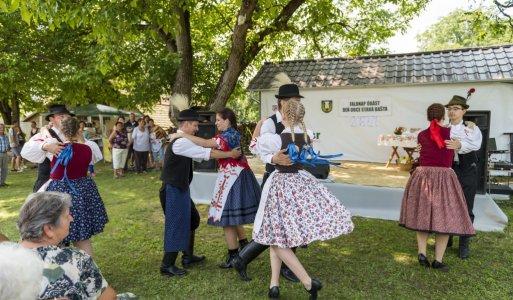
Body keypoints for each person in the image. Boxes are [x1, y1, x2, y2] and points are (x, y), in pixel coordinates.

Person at [251, 99, 353, 299]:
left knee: (278, 238)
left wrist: (259, 128)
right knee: (275, 234)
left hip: (281, 186)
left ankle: (308, 283)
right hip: (299, 183)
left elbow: (255, 147)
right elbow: (305, 156)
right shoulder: (308, 135)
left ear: (285, 115)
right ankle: (274, 285)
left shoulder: (275, 138)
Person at [232, 82, 304, 282]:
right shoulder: (270, 123)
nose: (296, 104)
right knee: (272, 226)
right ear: (282, 102)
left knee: (292, 223)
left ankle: (285, 265)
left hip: (294, 180)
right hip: (275, 179)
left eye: (298, 101)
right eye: (293, 100)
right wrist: (273, 158)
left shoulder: (298, 123)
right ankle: (243, 258)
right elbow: (257, 149)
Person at [171, 108, 260, 268]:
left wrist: (181, 135)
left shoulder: (228, 135)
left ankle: (234, 255)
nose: (216, 123)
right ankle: (243, 244)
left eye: (219, 120)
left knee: (225, 216)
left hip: (233, 176)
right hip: (234, 174)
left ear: (227, 120)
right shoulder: (231, 134)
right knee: (232, 214)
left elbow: (206, 144)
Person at [159, 109, 242, 276]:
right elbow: (207, 153)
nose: (197, 128)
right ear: (187, 124)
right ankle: (166, 265)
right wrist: (230, 154)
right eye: (195, 125)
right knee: (176, 226)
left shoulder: (184, 140)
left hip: (179, 188)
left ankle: (187, 257)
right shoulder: (181, 142)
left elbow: (199, 155)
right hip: (172, 189)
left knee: (192, 219)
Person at [17, 192, 136, 300]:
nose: (71, 218)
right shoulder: (74, 258)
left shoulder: (6, 257)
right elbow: (107, 297)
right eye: (66, 215)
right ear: (48, 229)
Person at [399, 103, 475, 272]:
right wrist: (470, 124)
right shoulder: (452, 132)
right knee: (446, 218)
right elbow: (471, 139)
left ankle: (422, 254)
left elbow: (423, 149)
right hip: (443, 178)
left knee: (422, 216)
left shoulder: (421, 135)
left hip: (422, 177)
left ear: (428, 117)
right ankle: (438, 260)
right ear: (443, 117)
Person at [43, 117, 108, 256]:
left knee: (57, 236)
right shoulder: (87, 148)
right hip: (82, 192)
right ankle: (87, 270)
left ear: (61, 130)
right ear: (79, 129)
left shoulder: (56, 148)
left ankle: (60, 272)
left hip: (59, 194)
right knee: (82, 237)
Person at [444, 90, 482, 259]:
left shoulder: (471, 128)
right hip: (449, 170)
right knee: (448, 205)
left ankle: (464, 243)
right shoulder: (443, 129)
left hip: (467, 170)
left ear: (464, 111)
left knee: (466, 207)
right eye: (450, 108)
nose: (452, 111)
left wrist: (460, 145)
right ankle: (448, 237)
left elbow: (475, 144)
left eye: (456, 108)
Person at [21, 104, 71, 192]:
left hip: (71, 186)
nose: (65, 119)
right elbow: (25, 151)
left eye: (67, 117)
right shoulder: (43, 136)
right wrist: (45, 146)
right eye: (61, 116)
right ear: (52, 119)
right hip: (47, 187)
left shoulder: (74, 136)